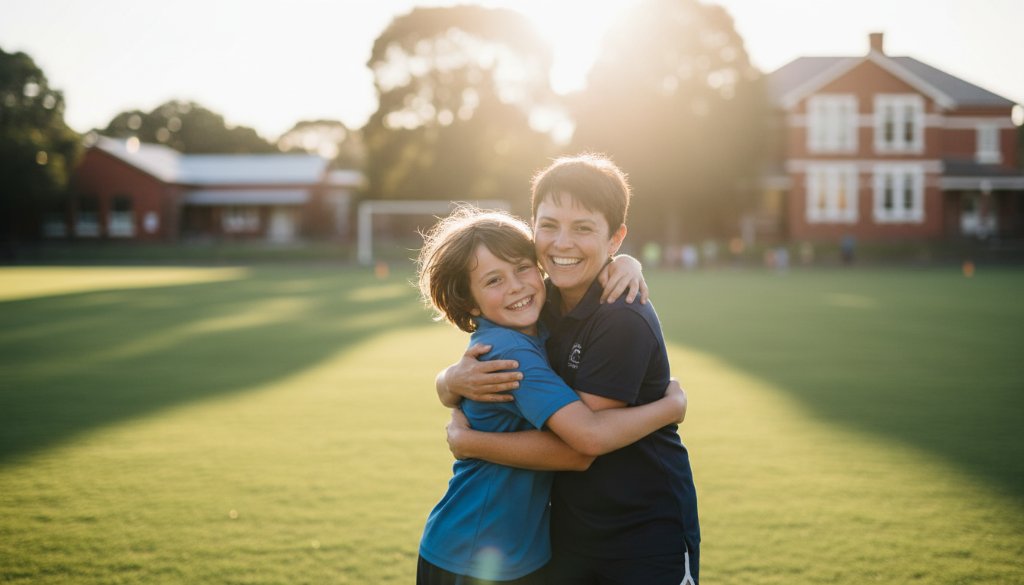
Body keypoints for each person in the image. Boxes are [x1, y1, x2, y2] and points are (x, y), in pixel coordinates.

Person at [438, 154, 701, 585]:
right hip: (567, 536)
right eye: (549, 225)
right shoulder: (543, 301)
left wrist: (469, 441)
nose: (562, 243)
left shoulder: (621, 317)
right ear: (533, 227)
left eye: (583, 228)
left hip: (641, 537)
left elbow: (580, 446)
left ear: (615, 237)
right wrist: (449, 381)